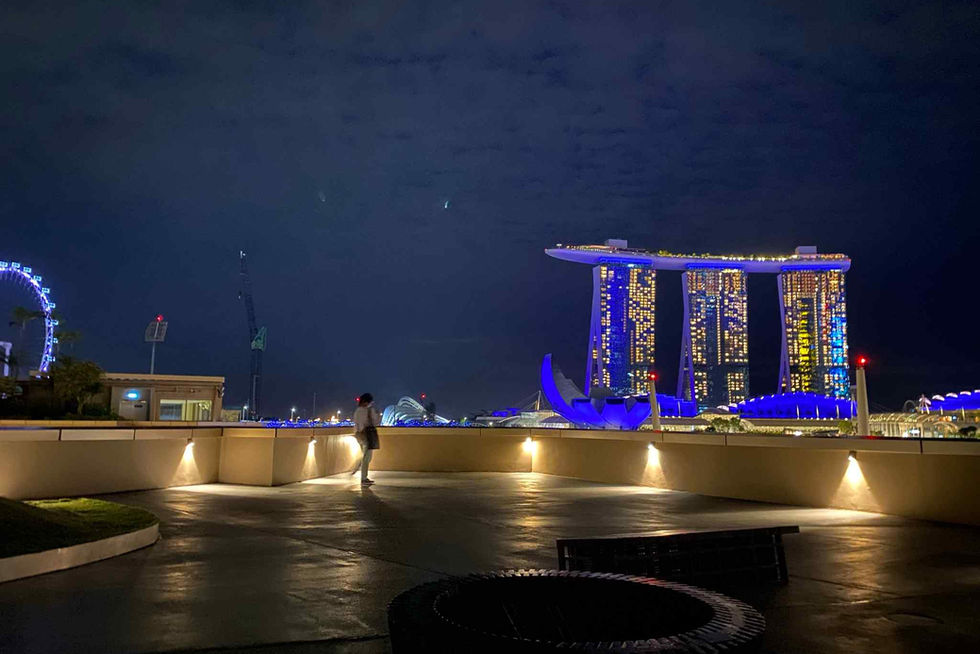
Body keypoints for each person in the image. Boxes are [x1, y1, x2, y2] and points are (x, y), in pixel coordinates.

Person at [351, 393, 381, 485]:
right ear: (366, 402)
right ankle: (363, 477)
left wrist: (360, 431)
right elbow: (375, 422)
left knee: (365, 455)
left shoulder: (357, 411)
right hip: (367, 435)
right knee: (367, 456)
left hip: (359, 434)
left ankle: (358, 468)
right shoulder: (369, 410)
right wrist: (378, 415)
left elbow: (357, 424)